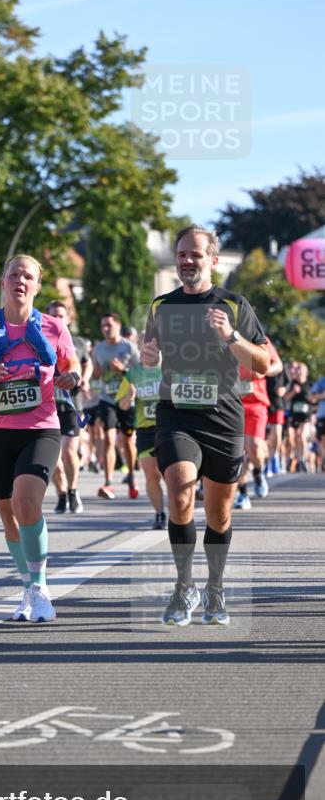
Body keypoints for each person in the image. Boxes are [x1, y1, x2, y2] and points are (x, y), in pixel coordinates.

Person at [142, 225, 269, 627]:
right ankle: (184, 586)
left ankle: (214, 586)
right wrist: (148, 357)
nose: (186, 261)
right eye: (181, 254)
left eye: (195, 255)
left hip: (223, 417)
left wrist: (231, 336)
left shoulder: (234, 305)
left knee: (219, 513)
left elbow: (262, 363)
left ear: (213, 260)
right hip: (176, 414)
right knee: (179, 490)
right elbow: (151, 356)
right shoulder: (161, 306)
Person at [0, 254, 80, 624]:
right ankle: (27, 586)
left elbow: (71, 367)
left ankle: (39, 587)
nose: (20, 281)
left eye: (28, 277)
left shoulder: (54, 327)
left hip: (41, 428)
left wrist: (71, 378)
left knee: (27, 503)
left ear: (38, 286)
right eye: (14, 275)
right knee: (9, 517)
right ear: (3, 283)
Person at [46, 300, 91, 514]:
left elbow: (87, 362)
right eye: (53, 316)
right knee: (53, 457)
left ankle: (73, 491)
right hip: (48, 406)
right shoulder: (40, 341)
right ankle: (62, 494)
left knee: (70, 452)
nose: (58, 319)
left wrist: (85, 378)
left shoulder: (79, 342)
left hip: (73, 405)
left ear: (68, 319)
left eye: (61, 316)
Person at [92, 312, 140, 500]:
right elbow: (97, 374)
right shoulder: (98, 349)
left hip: (127, 399)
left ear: (118, 326)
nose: (105, 329)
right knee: (109, 439)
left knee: (128, 441)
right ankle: (108, 482)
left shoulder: (129, 347)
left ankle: (131, 475)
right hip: (107, 399)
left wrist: (123, 370)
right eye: (103, 325)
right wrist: (96, 373)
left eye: (109, 325)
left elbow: (141, 372)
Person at [116, 352, 166, 528]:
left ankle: (180, 511)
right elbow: (121, 405)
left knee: (171, 475)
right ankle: (160, 514)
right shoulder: (133, 374)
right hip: (145, 430)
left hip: (170, 427)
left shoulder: (170, 369)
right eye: (145, 347)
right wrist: (129, 397)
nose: (149, 351)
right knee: (151, 475)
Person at [233, 337, 283, 510]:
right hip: (232, 404)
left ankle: (258, 471)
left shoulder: (257, 336)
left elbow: (278, 365)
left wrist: (265, 370)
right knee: (235, 453)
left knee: (253, 446)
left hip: (256, 403)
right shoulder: (219, 335)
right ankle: (243, 493)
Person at [284, 361, 312, 472]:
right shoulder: (292, 383)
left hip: (305, 415)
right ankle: (292, 458)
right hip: (293, 414)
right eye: (298, 369)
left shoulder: (309, 384)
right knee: (291, 439)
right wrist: (293, 393)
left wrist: (311, 398)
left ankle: (302, 460)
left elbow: (313, 400)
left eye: (301, 369)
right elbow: (286, 398)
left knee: (301, 436)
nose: (298, 371)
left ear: (305, 371)